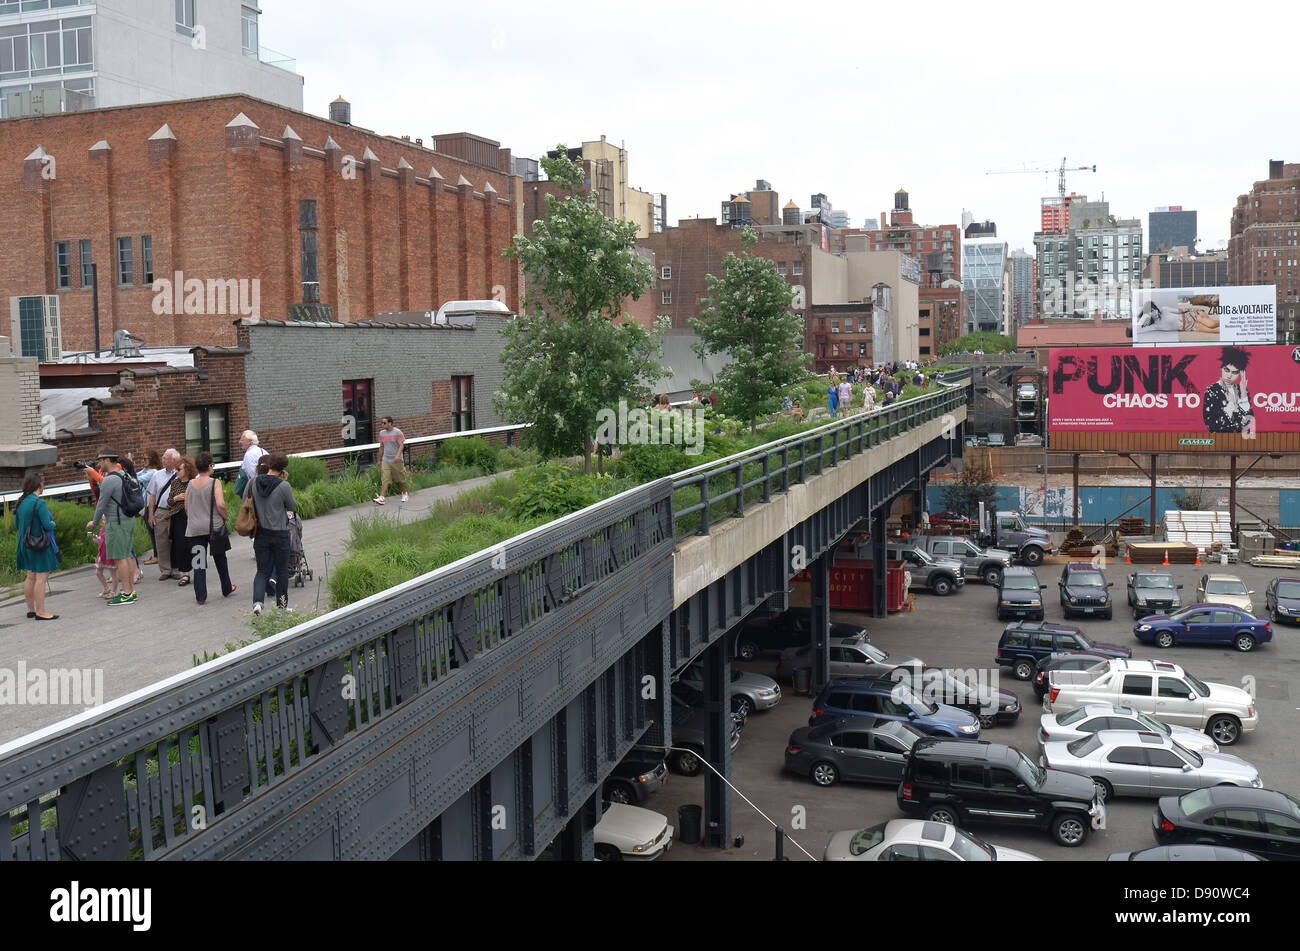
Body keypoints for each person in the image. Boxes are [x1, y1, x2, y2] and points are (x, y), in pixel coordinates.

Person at [249, 452, 298, 615]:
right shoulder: (284, 486)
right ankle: (282, 607)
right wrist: (284, 482)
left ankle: (257, 603)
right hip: (280, 534)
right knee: (282, 570)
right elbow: (292, 506)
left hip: (261, 533)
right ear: (283, 468)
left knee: (262, 570)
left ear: (268, 465)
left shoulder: (253, 482)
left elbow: (246, 502)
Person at [86, 449, 137, 605]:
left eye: (100, 461)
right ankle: (131, 591)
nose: (99, 465)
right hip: (129, 519)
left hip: (116, 522)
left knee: (119, 558)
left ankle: (126, 593)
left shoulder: (109, 480)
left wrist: (94, 522)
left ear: (108, 460)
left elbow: (102, 503)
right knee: (126, 555)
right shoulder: (126, 475)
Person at [184, 451, 235, 605]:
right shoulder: (214, 482)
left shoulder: (190, 484)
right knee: (220, 559)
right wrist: (225, 516)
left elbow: (186, 506)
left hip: (195, 529)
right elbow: (220, 504)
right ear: (209, 466)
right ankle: (226, 588)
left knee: (198, 563)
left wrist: (194, 518)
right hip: (213, 527)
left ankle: (201, 597)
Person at [15, 472, 59, 620]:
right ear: (39, 486)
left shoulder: (21, 502)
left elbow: (17, 525)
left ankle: (30, 609)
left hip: (24, 544)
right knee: (41, 577)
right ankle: (41, 611)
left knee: (30, 576)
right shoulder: (39, 503)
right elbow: (47, 525)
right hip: (39, 545)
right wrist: (53, 523)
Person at [1202, 346, 1256, 438]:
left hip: (1242, 442)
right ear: (1221, 368)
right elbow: (1212, 426)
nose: (1229, 376)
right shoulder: (1212, 391)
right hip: (1219, 442)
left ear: (1241, 374)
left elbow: (1249, 426)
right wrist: (1230, 405)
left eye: (1234, 372)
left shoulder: (1242, 391)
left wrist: (1243, 396)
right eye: (1227, 370)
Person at [148, 449, 181, 579]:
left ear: (174, 461)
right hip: (161, 510)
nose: (162, 460)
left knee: (176, 540)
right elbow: (152, 495)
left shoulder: (181, 473)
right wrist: (151, 514)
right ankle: (165, 569)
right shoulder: (157, 475)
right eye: (163, 458)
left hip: (177, 510)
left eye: (166, 458)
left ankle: (176, 568)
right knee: (161, 540)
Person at [167, 456, 197, 587]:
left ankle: (198, 570)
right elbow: (169, 501)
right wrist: (176, 497)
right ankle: (185, 573)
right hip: (178, 517)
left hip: (191, 516)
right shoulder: (174, 483)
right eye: (176, 470)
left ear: (187, 469)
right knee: (180, 545)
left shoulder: (194, 482)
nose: (177, 472)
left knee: (193, 544)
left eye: (179, 469)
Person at [374, 416, 408, 505]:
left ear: (390, 423)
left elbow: (401, 445)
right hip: (386, 459)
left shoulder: (397, 432)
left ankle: (404, 493)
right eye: (382, 423)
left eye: (384, 423)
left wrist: (397, 456)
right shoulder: (382, 433)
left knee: (400, 479)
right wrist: (379, 460)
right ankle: (381, 497)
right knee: (385, 478)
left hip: (397, 460)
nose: (382, 424)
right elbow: (381, 447)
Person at [136, 450, 162, 565]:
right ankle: (157, 554)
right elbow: (136, 475)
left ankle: (158, 555)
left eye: (145, 459)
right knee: (151, 531)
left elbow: (137, 479)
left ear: (152, 459)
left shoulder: (153, 472)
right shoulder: (145, 471)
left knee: (153, 531)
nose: (143, 461)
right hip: (145, 505)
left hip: (151, 505)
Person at [236, 430, 267, 497]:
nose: (239, 442)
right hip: (267, 486)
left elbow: (252, 476)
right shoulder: (263, 451)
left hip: (256, 490)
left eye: (242, 440)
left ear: (250, 442)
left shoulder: (249, 455)